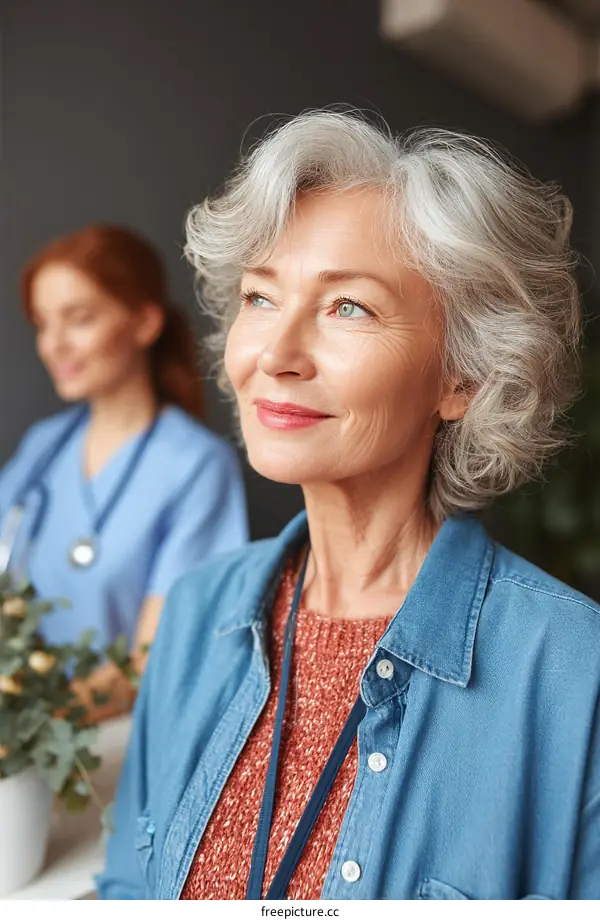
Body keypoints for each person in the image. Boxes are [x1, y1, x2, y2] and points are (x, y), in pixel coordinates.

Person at [97, 112, 600, 900]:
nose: (277, 354)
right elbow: (129, 886)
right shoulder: (197, 613)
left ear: (461, 378)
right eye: (261, 297)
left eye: (347, 308)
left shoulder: (577, 672)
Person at [0, 224, 248, 717]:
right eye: (43, 324)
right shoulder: (44, 447)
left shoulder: (195, 468)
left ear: (144, 323)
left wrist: (29, 729)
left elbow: (150, 663)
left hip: (114, 746)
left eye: (79, 318)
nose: (54, 345)